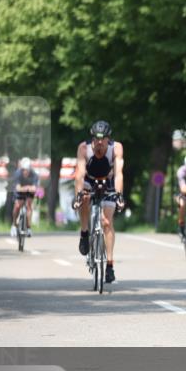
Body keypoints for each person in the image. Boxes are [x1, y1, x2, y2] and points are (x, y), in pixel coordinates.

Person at [73, 120, 125, 283]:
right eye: (97, 138)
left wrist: (119, 195)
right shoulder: (84, 148)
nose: (100, 142)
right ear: (92, 138)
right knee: (85, 198)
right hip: (89, 179)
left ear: (109, 138)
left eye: (103, 139)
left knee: (107, 222)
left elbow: (118, 174)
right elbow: (80, 174)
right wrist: (78, 195)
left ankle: (109, 266)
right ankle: (84, 233)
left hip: (108, 181)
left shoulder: (116, 148)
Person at [10, 157, 39, 238]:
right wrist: (28, 188)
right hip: (20, 192)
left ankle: (29, 228)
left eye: (26, 170)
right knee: (17, 206)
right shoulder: (17, 174)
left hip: (29, 192)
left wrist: (29, 188)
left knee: (29, 206)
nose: (25, 172)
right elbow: (18, 188)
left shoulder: (34, 175)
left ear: (30, 169)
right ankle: (14, 225)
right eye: (23, 170)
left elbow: (34, 188)